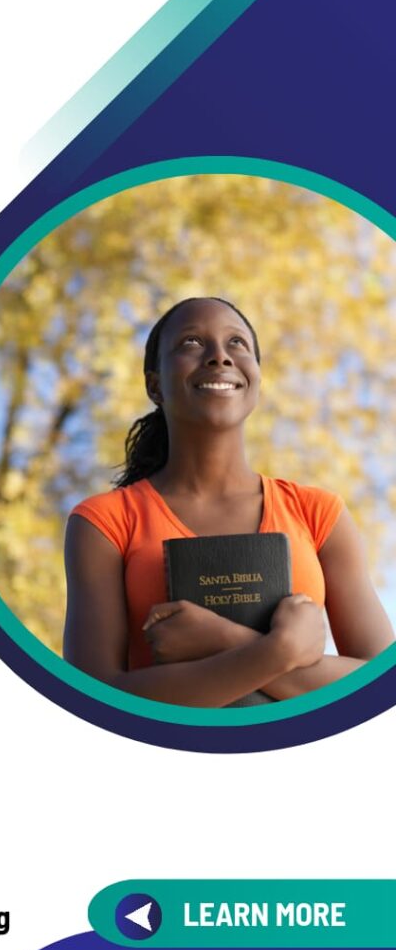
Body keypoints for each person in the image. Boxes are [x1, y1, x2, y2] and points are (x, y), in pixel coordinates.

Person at [63, 297, 394, 707]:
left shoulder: (319, 513)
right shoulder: (103, 522)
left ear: (256, 378)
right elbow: (93, 700)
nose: (219, 356)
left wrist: (221, 639)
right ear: (155, 385)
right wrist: (283, 649)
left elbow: (380, 685)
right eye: (191, 342)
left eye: (237, 343)